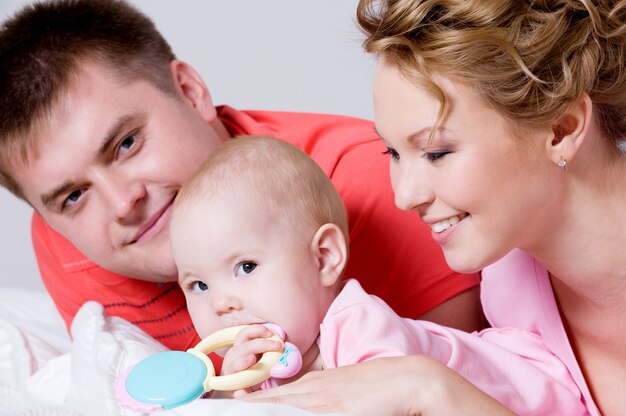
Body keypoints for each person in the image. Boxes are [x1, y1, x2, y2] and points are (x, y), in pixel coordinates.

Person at [0, 0, 483, 353]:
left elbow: (452, 379)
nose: (123, 203)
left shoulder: (378, 186)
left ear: (191, 92)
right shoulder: (64, 246)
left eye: (126, 143)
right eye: (74, 196)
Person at [243, 0, 626, 415]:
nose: (404, 196)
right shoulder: (511, 287)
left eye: (436, 151)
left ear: (560, 130)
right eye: (392, 151)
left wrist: (430, 390)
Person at [169, 136, 583, 414]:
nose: (221, 303)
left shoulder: (358, 324)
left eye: (245, 267)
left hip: (537, 396)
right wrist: (230, 390)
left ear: (325, 258)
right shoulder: (259, 368)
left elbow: (391, 401)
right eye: (198, 285)